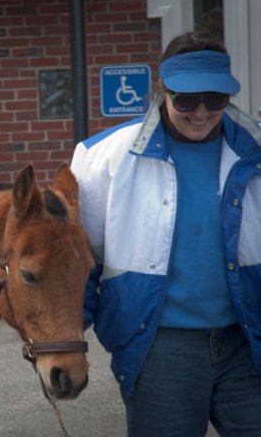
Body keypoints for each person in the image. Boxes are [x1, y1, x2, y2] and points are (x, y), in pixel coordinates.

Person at [71, 30, 261, 436]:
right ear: (162, 90)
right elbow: (81, 260)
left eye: (215, 99)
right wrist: (64, 340)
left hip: (247, 342)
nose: (201, 112)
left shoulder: (255, 153)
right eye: (186, 99)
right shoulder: (103, 157)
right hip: (158, 347)